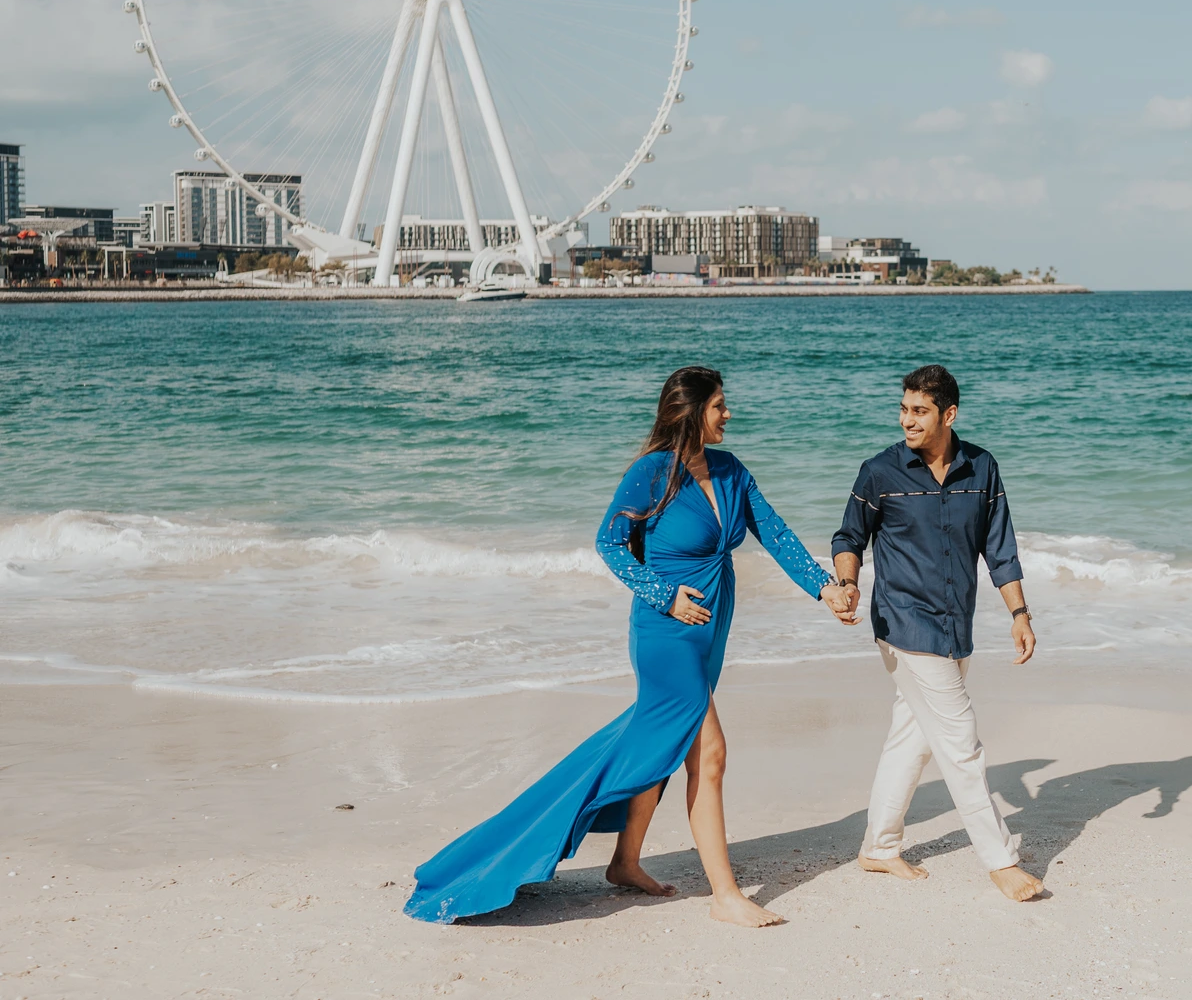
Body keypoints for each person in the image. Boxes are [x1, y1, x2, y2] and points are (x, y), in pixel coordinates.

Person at [405, 366, 859, 926]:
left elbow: (777, 532)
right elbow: (610, 543)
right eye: (719, 406)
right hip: (665, 631)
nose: (728, 414)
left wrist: (825, 588)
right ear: (692, 413)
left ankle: (624, 861)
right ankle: (725, 896)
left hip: (710, 632)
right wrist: (665, 595)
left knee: (664, 745)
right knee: (709, 753)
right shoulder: (651, 474)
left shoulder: (731, 470)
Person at [830, 364, 1045, 902]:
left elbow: (1000, 547)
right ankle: (1000, 861)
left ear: (948, 414)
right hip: (902, 623)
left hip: (955, 623)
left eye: (919, 411)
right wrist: (848, 582)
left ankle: (878, 848)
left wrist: (1020, 614)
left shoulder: (982, 468)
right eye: (903, 409)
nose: (907, 420)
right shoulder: (880, 472)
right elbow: (848, 535)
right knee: (961, 743)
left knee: (913, 737)